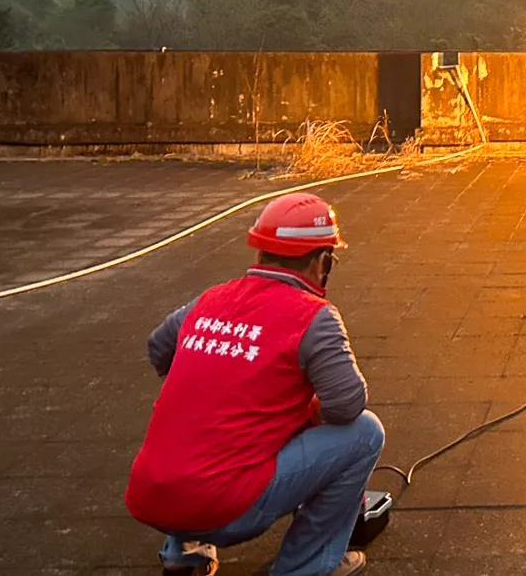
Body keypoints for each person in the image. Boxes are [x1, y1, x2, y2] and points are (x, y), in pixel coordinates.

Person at [125, 192, 383, 576]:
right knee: (365, 432)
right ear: (322, 262)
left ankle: (185, 552)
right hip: (226, 510)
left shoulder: (209, 301)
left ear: (260, 253)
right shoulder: (315, 317)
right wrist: (305, 412)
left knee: (200, 421)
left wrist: (217, 369)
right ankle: (306, 566)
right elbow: (346, 405)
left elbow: (158, 347)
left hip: (150, 497)